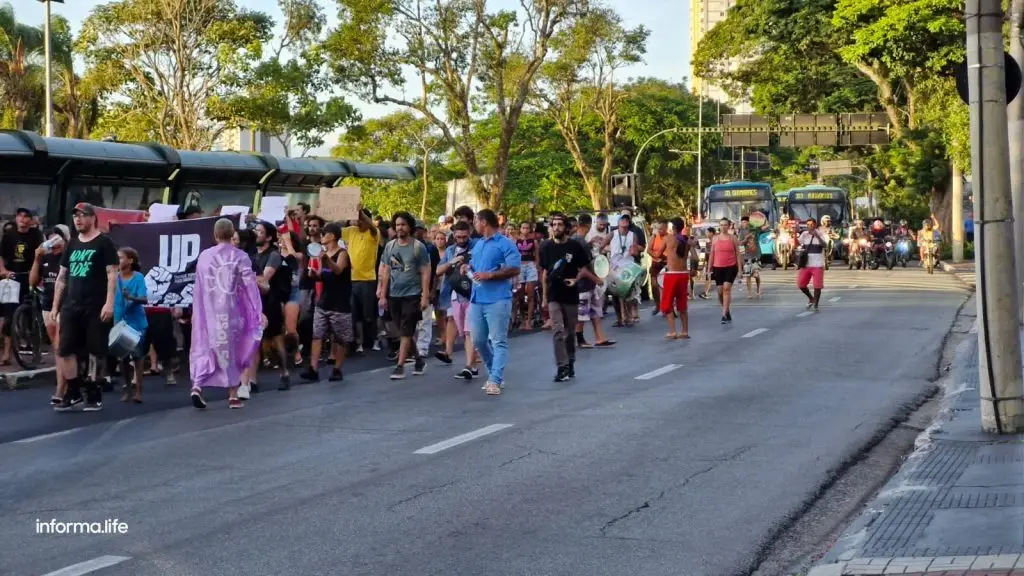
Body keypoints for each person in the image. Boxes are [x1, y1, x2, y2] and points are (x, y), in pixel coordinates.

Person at [189, 219, 264, 410]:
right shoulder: (241, 256)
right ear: (233, 235)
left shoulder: (204, 256)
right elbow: (250, 286)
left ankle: (197, 385)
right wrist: (257, 311)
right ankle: (232, 395)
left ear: (214, 235)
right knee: (230, 349)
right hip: (232, 311)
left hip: (207, 312)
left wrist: (196, 312)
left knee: (205, 346)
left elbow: (198, 287)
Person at [53, 203, 119, 412]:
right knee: (64, 349)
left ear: (92, 218)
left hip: (95, 304)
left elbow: (112, 274)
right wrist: (55, 305)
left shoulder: (104, 243)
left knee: (95, 349)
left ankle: (93, 389)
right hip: (72, 305)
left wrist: (109, 302)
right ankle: (73, 391)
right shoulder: (72, 244)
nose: (78, 220)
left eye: (82, 215)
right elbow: (62, 277)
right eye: (75, 216)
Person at [466, 209, 521, 395]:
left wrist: (491, 275)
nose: (474, 225)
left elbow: (514, 269)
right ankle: (493, 372)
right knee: (478, 340)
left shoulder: (505, 244)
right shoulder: (479, 244)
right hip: (477, 298)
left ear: (483, 222)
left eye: (475, 221)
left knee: (498, 340)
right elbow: (476, 267)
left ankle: (495, 379)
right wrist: (467, 267)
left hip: (498, 298)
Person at [540, 213, 600, 382]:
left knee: (569, 332)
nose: (556, 227)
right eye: (554, 224)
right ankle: (562, 366)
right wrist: (544, 297)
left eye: (559, 224)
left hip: (570, 293)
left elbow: (583, 267)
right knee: (557, 330)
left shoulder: (574, 246)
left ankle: (570, 360)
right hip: (553, 293)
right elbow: (544, 272)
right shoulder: (545, 246)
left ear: (565, 227)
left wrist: (576, 279)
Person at [378, 212, 431, 379]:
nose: (400, 228)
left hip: (413, 294)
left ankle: (400, 366)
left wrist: (425, 296)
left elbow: (425, 271)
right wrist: (383, 294)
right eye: (397, 225)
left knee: (407, 329)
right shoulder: (390, 246)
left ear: (410, 227)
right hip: (394, 294)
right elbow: (386, 270)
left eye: (403, 224)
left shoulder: (418, 247)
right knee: (402, 331)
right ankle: (419, 359)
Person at [300, 222, 352, 382]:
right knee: (317, 335)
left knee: (341, 338)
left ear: (333, 236)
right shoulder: (320, 254)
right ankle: (313, 368)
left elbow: (338, 270)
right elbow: (321, 275)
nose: (322, 236)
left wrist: (326, 260)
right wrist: (314, 273)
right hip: (323, 301)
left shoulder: (342, 253)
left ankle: (337, 368)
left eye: (325, 234)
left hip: (340, 302)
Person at [30, 225, 69, 405]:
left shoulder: (68, 256)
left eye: (57, 238)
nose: (53, 242)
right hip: (47, 305)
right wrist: (37, 259)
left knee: (61, 347)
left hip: (64, 305)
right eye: (50, 238)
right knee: (56, 347)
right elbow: (33, 282)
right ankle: (67, 379)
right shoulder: (45, 257)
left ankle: (61, 388)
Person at [435, 221, 480, 379]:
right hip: (455, 295)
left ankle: (469, 366)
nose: (461, 239)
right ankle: (472, 362)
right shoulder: (450, 250)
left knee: (469, 331)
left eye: (464, 236)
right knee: (460, 328)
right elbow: (438, 271)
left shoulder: (477, 246)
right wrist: (451, 262)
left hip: (473, 294)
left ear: (470, 233)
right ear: (453, 235)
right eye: (458, 236)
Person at [0, 207, 44, 365]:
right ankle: (6, 355)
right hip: (13, 277)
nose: (23, 219)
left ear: (31, 220)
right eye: (20, 216)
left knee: (32, 313)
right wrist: (4, 271)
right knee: (9, 315)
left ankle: (35, 346)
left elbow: (41, 253)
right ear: (16, 218)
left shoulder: (36, 235)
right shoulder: (8, 236)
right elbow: (1, 256)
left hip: (30, 276)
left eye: (27, 217)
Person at [253, 221, 291, 390]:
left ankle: (284, 373)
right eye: (255, 230)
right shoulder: (252, 254)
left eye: (260, 232)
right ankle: (251, 379)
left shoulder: (274, 255)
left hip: (271, 301)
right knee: (254, 340)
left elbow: (264, 278)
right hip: (254, 302)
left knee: (275, 340)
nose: (256, 234)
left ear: (268, 237)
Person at [572, 214, 614, 349]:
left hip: (590, 283)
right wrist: (597, 279)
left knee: (596, 311)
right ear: (589, 225)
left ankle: (600, 337)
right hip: (584, 283)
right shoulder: (580, 242)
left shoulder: (580, 241)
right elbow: (583, 267)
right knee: (582, 313)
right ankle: (580, 338)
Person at [342, 207, 379, 354]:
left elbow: (373, 226)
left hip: (368, 279)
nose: (358, 222)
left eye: (360, 219)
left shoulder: (373, 233)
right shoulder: (351, 231)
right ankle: (359, 342)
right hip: (352, 279)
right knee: (353, 312)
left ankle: (373, 339)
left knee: (368, 313)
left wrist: (361, 213)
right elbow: (334, 229)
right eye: (356, 219)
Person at [113, 247, 148, 403]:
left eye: (120, 258)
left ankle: (138, 391)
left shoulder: (138, 277)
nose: (118, 261)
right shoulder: (114, 277)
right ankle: (127, 389)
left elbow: (144, 299)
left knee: (137, 357)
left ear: (130, 260)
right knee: (123, 359)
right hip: (120, 322)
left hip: (136, 323)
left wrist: (131, 297)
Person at [603, 214, 641, 326]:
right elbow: (601, 246)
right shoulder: (612, 234)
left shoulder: (632, 235)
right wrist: (608, 252)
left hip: (628, 267)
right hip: (615, 267)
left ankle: (630, 316)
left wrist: (634, 252)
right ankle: (620, 318)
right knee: (615, 293)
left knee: (629, 291)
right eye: (622, 220)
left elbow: (635, 250)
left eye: (627, 220)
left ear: (629, 223)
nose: (625, 222)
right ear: (618, 222)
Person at [662, 218, 696, 339]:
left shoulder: (668, 238)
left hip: (671, 274)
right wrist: (693, 269)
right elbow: (695, 257)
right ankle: (685, 331)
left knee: (667, 303)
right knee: (682, 303)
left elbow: (657, 254)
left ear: (673, 227)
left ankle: (672, 331)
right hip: (683, 274)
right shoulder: (687, 241)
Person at [709, 218, 742, 324]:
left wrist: (740, 269)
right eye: (721, 225)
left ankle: (724, 315)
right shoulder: (715, 238)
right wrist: (709, 267)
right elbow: (712, 254)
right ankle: (726, 310)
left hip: (731, 266)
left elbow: (738, 254)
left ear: (729, 226)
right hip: (717, 267)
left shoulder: (733, 238)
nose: (723, 227)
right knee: (719, 291)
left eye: (725, 225)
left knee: (726, 289)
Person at [797, 218, 828, 311]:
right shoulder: (804, 235)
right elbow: (797, 243)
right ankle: (811, 298)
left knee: (817, 286)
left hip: (818, 264)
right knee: (801, 284)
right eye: (808, 224)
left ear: (815, 225)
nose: (809, 226)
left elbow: (825, 245)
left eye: (811, 224)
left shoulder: (821, 234)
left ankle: (816, 304)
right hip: (806, 264)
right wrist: (794, 234)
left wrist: (817, 236)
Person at [516, 222, 540, 330]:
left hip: (530, 265)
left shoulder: (534, 241)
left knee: (530, 295)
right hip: (520, 266)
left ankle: (529, 321)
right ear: (520, 229)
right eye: (523, 227)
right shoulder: (515, 241)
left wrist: (537, 267)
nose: (525, 230)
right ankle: (522, 320)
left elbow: (537, 255)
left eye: (527, 228)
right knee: (520, 296)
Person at [738, 216, 762, 299]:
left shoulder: (754, 230)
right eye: (742, 222)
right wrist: (741, 257)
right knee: (748, 276)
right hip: (746, 256)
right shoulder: (741, 232)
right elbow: (740, 244)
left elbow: (765, 227)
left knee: (755, 274)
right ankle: (749, 293)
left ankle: (758, 288)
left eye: (745, 222)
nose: (744, 224)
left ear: (749, 222)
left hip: (756, 255)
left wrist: (762, 219)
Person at [647, 220, 667, 316]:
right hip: (656, 263)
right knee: (654, 285)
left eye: (661, 229)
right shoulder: (654, 237)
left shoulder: (668, 237)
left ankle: (666, 306)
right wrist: (656, 257)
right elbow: (648, 250)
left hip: (666, 263)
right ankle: (657, 305)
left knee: (665, 286)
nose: (659, 231)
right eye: (658, 229)